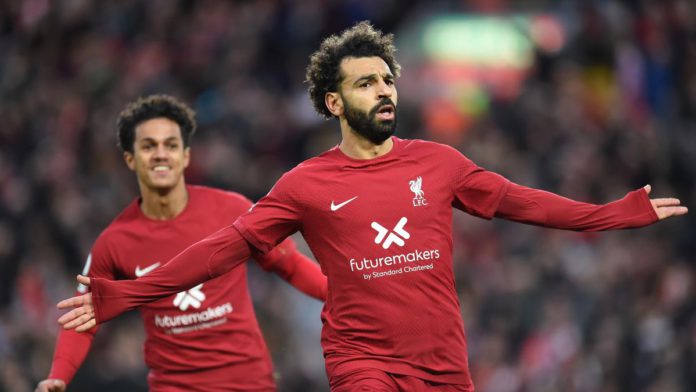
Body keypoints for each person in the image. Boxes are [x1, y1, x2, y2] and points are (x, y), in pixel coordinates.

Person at [56, 22, 688, 391]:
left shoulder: (439, 163)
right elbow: (221, 248)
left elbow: (526, 205)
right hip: (363, 363)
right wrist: (125, 296)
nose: (385, 91)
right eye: (367, 82)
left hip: (443, 362)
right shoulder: (304, 183)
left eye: (388, 79)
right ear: (334, 103)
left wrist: (613, 213)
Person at [37, 95, 327, 392]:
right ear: (130, 159)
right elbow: (84, 315)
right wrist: (59, 375)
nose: (161, 154)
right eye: (149, 146)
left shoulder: (231, 210)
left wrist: (344, 294)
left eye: (171, 145)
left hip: (249, 383)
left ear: (186, 156)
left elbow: (289, 265)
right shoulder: (114, 242)